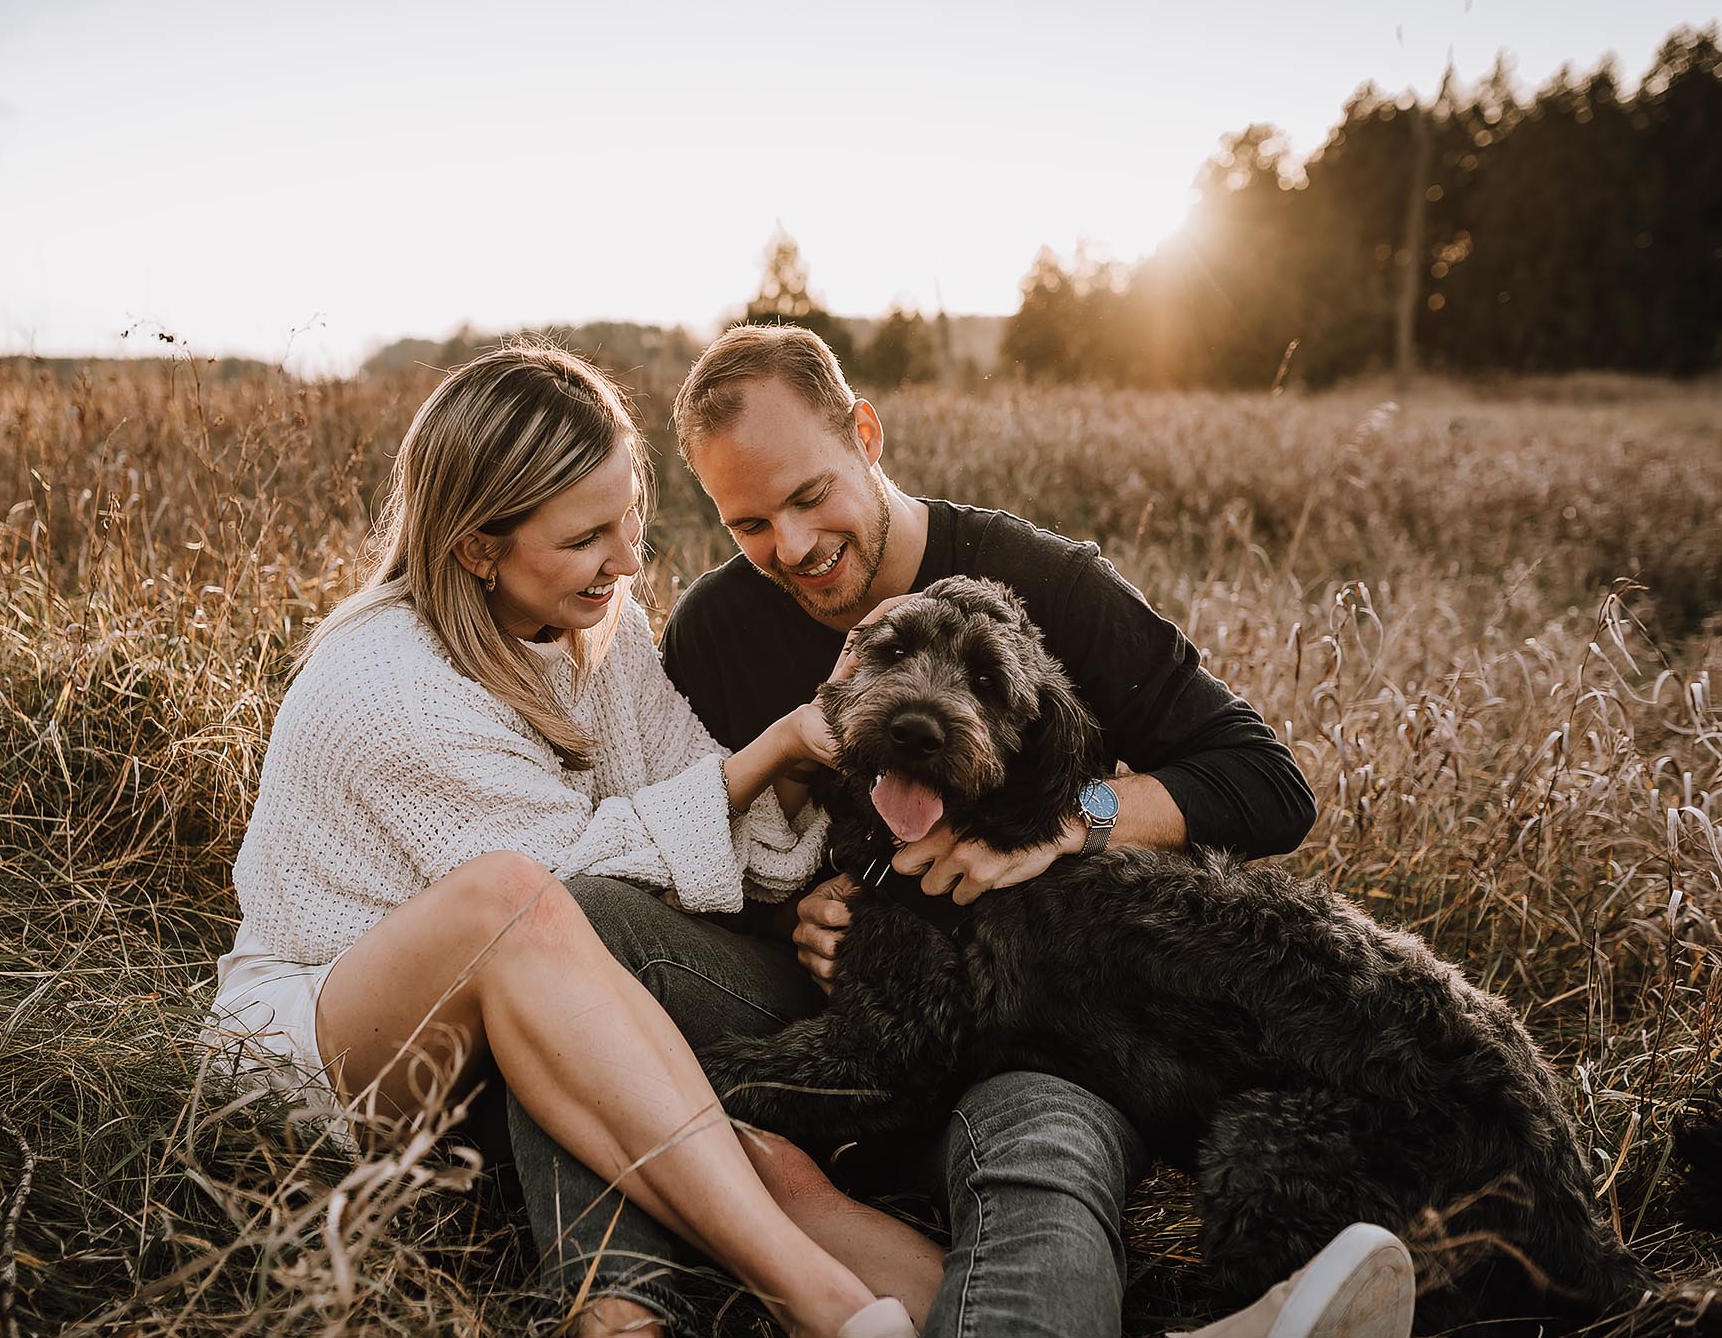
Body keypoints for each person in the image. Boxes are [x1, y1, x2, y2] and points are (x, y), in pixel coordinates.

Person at [503, 324, 1415, 1338]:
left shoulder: (1046, 581)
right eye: (749, 523)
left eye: (809, 496)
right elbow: (692, 835)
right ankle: (621, 1310)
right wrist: (795, 902)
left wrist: (1074, 822)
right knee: (572, 930)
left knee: (1044, 1163)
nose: (793, 548)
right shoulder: (716, 629)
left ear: (864, 432)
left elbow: (1265, 781)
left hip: (1032, 1032)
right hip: (817, 1000)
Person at [206, 342, 939, 1338]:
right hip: (338, 1049)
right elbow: (567, 901)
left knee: (776, 1174)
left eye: (628, 515)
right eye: (589, 535)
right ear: (477, 546)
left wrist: (800, 764)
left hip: (533, 1034)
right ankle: (817, 1302)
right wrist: (759, 754)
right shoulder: (391, 687)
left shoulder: (593, 623)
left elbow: (687, 804)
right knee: (508, 899)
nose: (629, 559)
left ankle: (992, 1311)